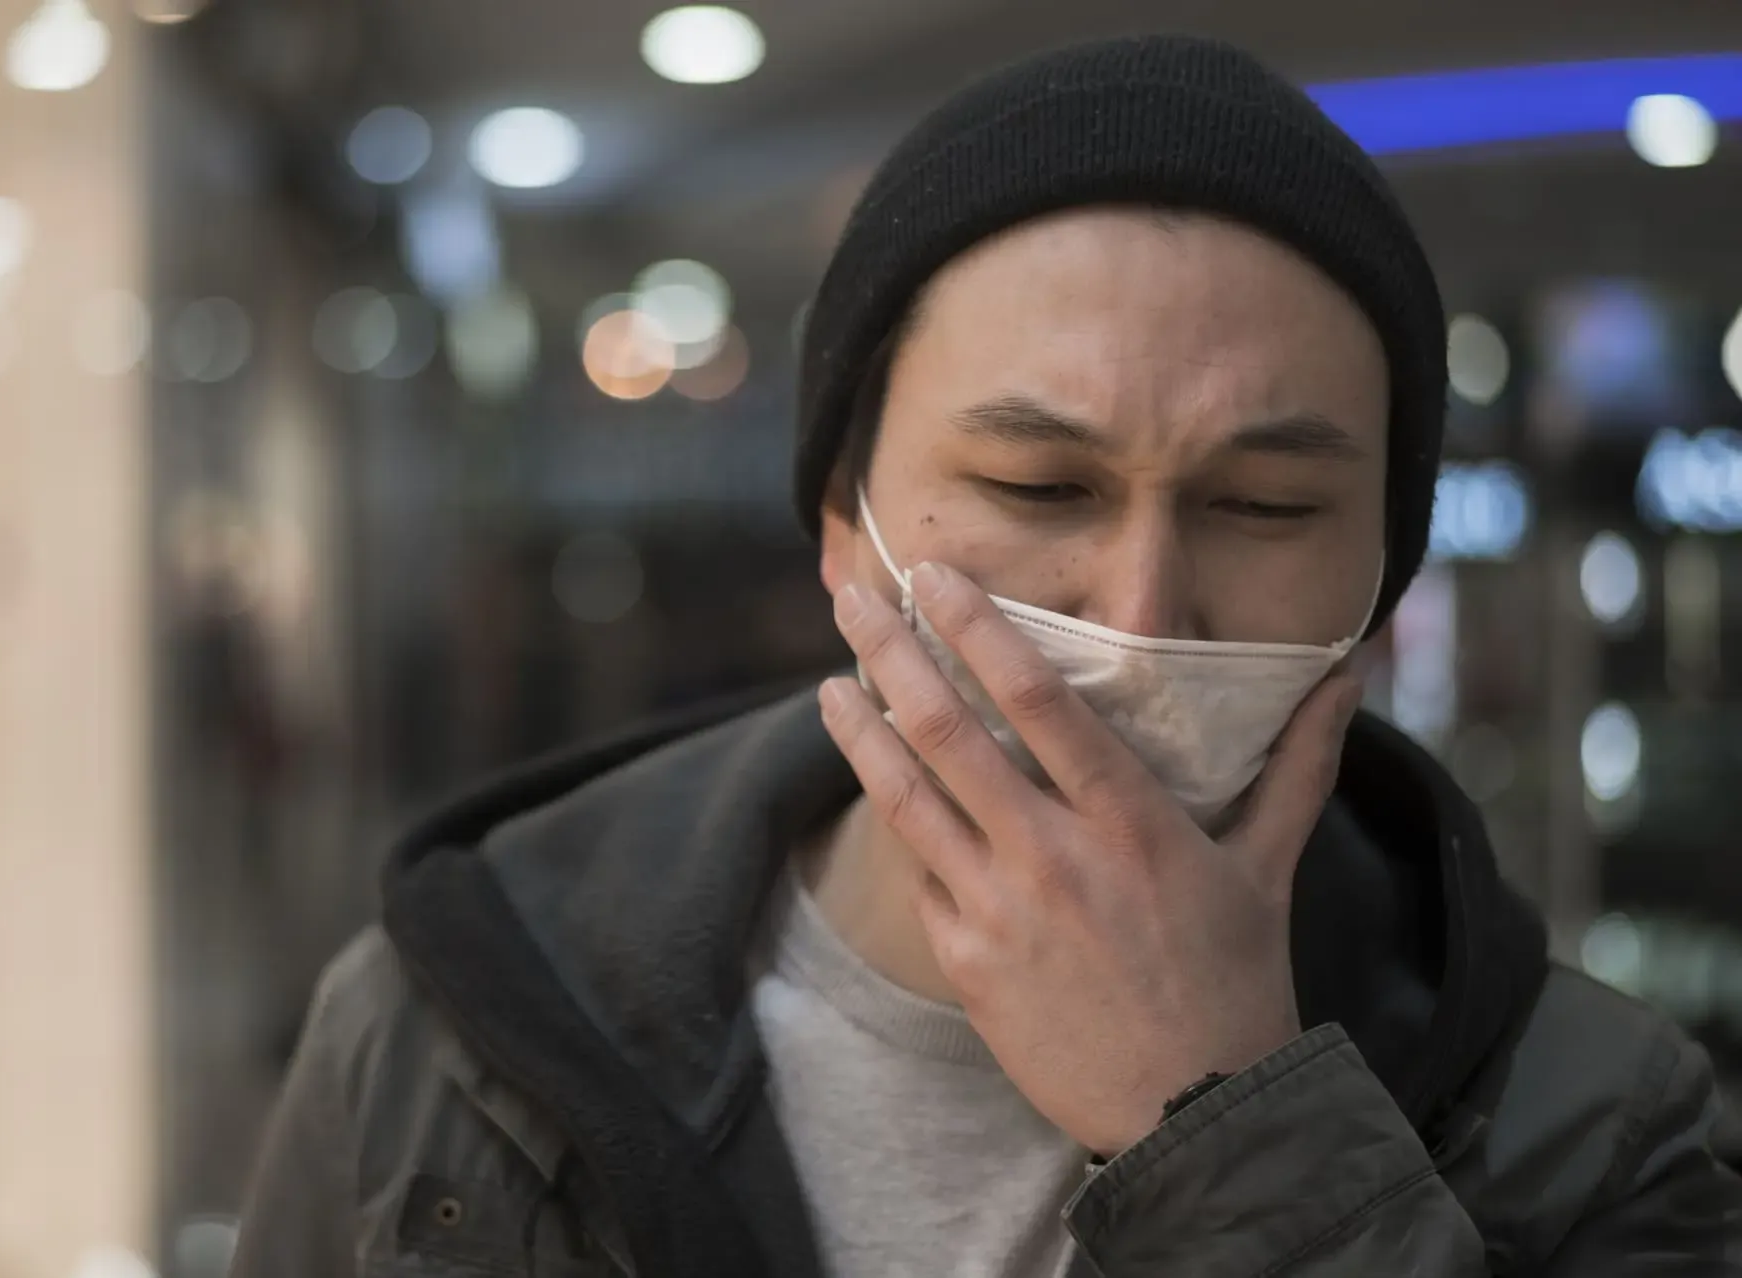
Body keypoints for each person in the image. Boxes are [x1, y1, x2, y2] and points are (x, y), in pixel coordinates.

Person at [231, 34, 1742, 1278]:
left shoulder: (1597, 1125)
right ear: (843, 520)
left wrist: (1225, 1129)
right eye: (1038, 486)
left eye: (1265, 503)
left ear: (1380, 568)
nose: (1143, 604)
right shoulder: (436, 1041)